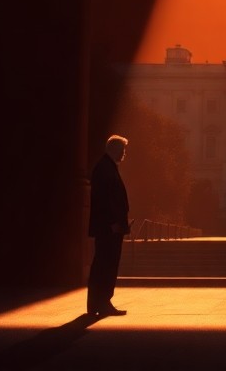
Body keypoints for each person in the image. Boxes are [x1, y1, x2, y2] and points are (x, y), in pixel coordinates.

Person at [87, 134, 131, 317]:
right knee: (106, 264)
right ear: (113, 149)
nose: (124, 153)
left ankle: (98, 303)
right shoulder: (106, 168)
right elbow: (104, 200)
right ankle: (102, 302)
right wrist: (112, 223)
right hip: (109, 228)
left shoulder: (106, 167)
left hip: (109, 226)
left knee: (103, 264)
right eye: (122, 150)